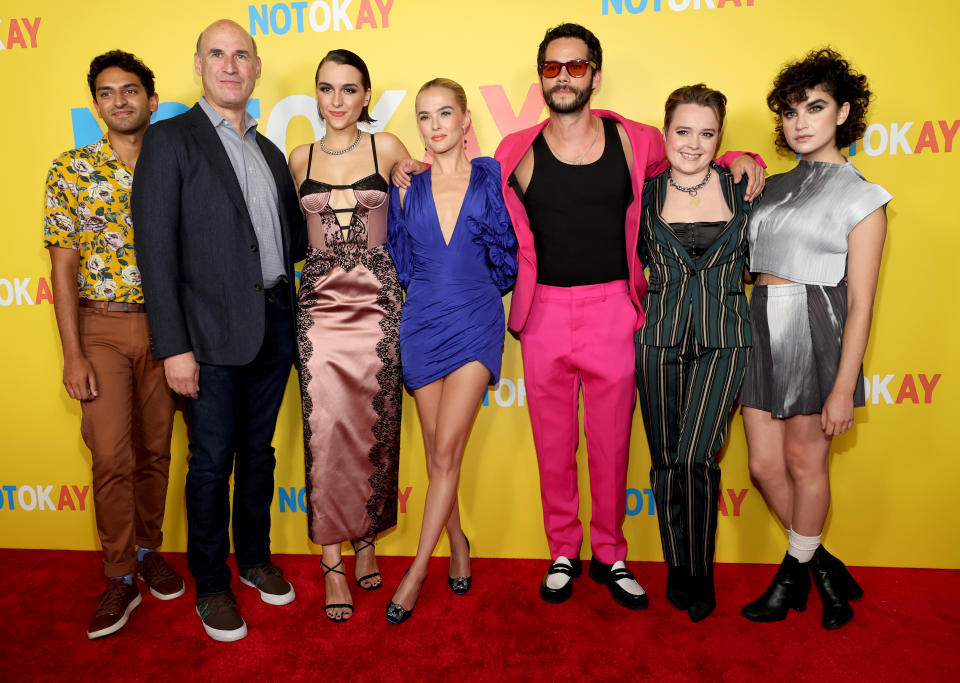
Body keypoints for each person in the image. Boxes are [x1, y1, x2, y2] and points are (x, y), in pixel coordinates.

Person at [490, 23, 764, 609]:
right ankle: (563, 548)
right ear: (541, 76)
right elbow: (468, 195)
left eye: (576, 66)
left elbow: (698, 154)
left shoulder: (634, 140)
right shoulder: (513, 149)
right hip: (541, 314)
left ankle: (610, 554)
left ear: (595, 72)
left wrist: (744, 154)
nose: (564, 77)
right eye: (553, 67)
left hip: (615, 305)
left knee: (612, 443)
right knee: (553, 442)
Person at [131, 19, 307, 642]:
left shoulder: (268, 152)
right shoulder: (170, 140)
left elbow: (290, 240)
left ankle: (254, 558)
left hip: (272, 329)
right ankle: (211, 584)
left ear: (257, 68)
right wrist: (173, 346)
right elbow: (156, 253)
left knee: (259, 455)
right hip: (204, 340)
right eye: (218, 55)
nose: (231, 65)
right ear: (199, 65)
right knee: (210, 465)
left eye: (242, 55)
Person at [740, 48, 890, 630]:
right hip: (758, 324)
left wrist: (842, 387)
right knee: (762, 465)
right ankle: (821, 566)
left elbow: (860, 305)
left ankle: (788, 580)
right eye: (791, 111)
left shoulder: (863, 197)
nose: (801, 121)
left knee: (806, 463)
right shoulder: (768, 185)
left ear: (843, 113)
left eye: (816, 107)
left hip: (813, 323)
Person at [44, 50, 182, 640]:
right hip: (100, 326)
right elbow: (62, 269)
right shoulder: (71, 169)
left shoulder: (177, 161)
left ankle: (149, 549)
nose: (120, 100)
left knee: (156, 449)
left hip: (169, 328)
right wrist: (73, 354)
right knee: (110, 456)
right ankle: (119, 575)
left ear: (152, 100)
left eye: (131, 90)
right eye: (107, 92)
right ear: (96, 103)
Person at [384, 79, 517, 624]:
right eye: (423, 116)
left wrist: (473, 287)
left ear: (466, 121)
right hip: (421, 320)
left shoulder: (490, 175)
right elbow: (400, 256)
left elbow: (506, 252)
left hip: (474, 318)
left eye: (445, 113)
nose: (434, 125)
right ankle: (458, 540)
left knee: (444, 454)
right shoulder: (406, 186)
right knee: (443, 451)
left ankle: (417, 569)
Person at [287, 49, 409, 623]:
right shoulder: (298, 157)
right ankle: (332, 561)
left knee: (374, 425)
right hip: (319, 309)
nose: (337, 100)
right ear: (317, 94)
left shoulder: (387, 148)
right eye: (327, 89)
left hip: (379, 304)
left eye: (349, 89)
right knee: (325, 430)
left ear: (366, 96)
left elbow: (422, 215)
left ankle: (367, 541)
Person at [635, 84, 756, 622]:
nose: (694, 143)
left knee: (695, 457)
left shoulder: (743, 187)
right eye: (683, 131)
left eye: (707, 134)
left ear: (720, 138)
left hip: (724, 340)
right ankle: (675, 563)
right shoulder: (643, 192)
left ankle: (699, 569)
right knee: (665, 462)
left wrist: (743, 160)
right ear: (665, 133)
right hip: (658, 340)